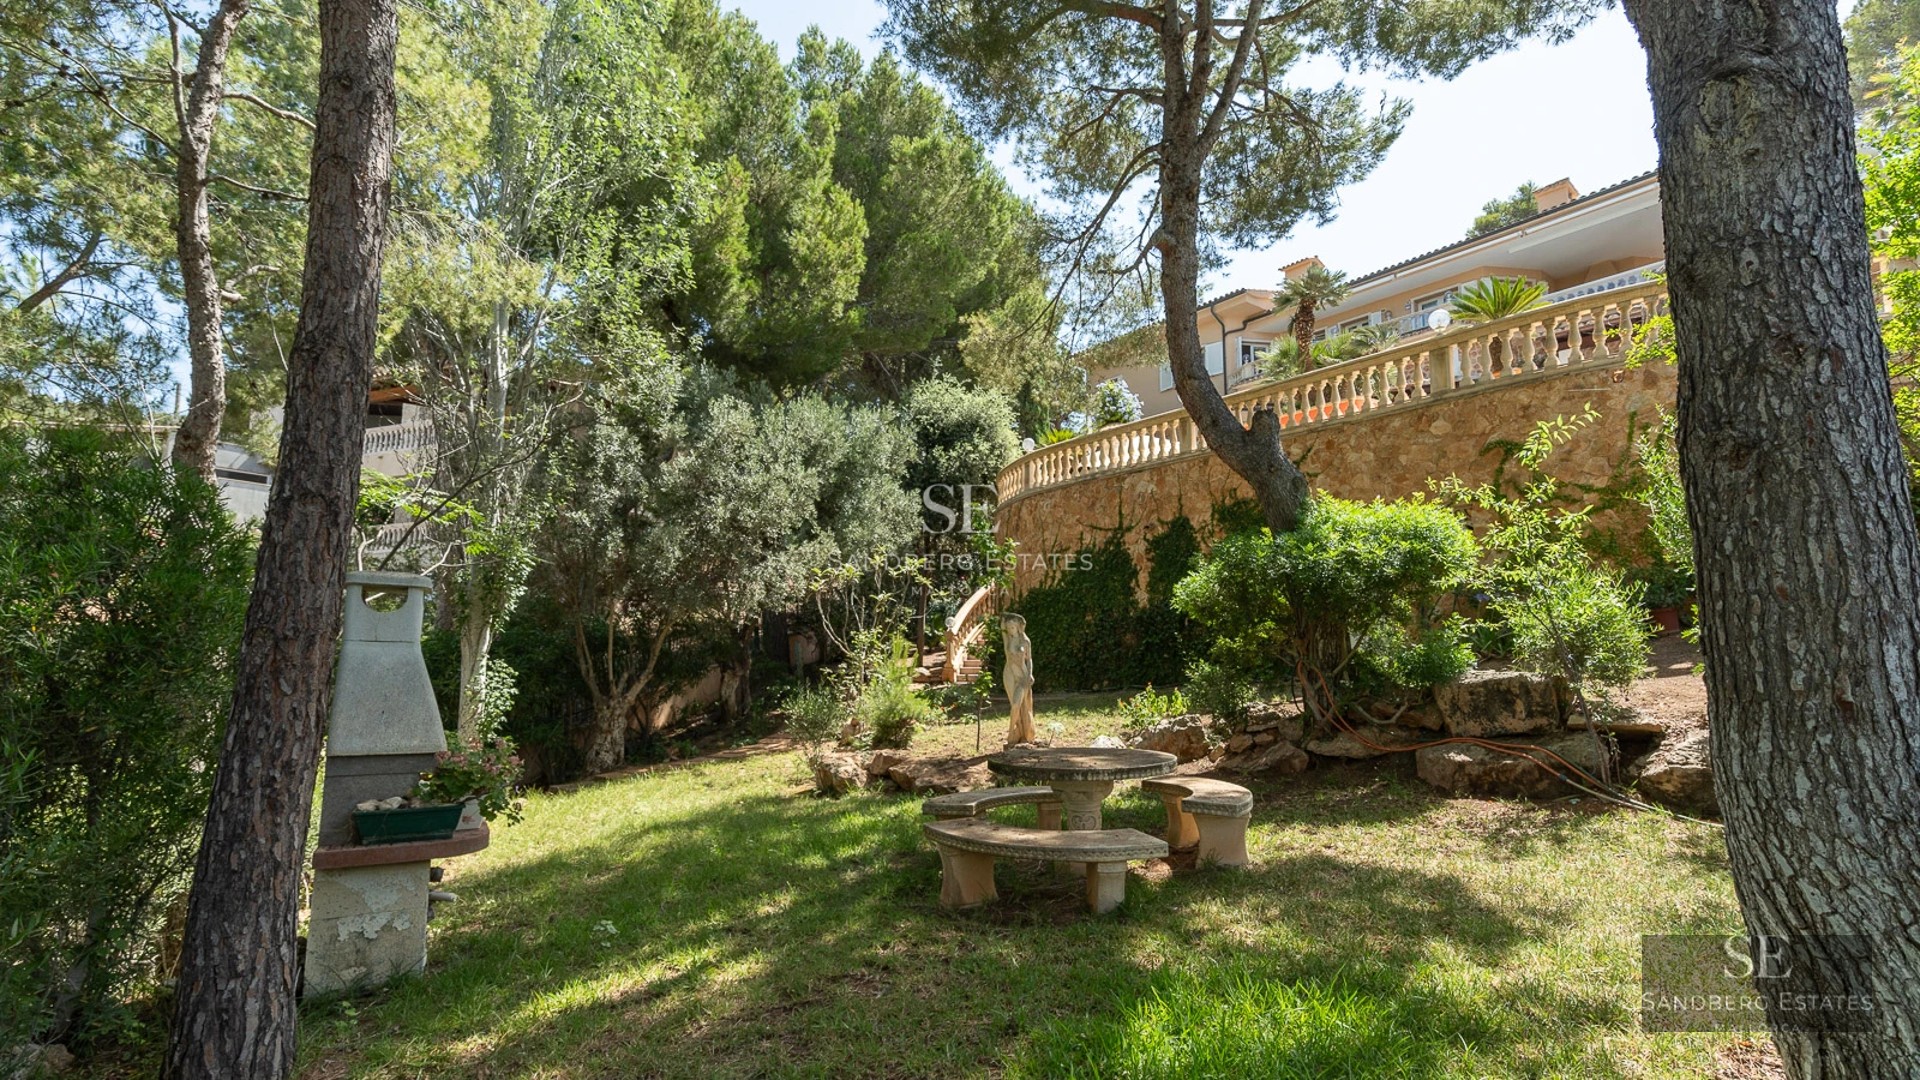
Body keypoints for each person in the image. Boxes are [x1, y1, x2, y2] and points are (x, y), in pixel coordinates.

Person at [1000, 613, 1036, 746]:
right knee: (1013, 704)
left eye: (1012, 627)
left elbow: (1029, 660)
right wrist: (1003, 618)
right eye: (1008, 628)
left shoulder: (1025, 641)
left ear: (1018, 627)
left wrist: (1030, 674)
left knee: (1018, 704)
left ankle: (1019, 732)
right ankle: (1014, 733)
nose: (1010, 630)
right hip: (1009, 674)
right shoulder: (1008, 640)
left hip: (1022, 676)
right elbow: (1002, 631)